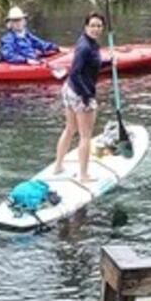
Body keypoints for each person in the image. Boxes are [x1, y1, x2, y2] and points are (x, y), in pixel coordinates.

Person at [51, 11, 107, 183]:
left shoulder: (87, 42)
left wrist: (109, 63)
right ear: (86, 27)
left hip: (69, 89)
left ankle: (58, 166)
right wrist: (86, 96)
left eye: (99, 26)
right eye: (93, 26)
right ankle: (83, 175)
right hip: (79, 92)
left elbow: (91, 65)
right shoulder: (85, 47)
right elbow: (75, 73)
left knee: (70, 129)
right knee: (85, 135)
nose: (96, 29)